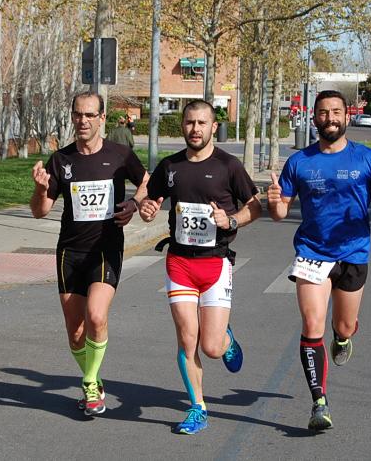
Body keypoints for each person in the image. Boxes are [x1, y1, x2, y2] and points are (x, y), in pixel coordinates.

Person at [266, 89, 371, 432]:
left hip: (354, 253)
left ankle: (343, 337)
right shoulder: (300, 162)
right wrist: (274, 201)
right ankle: (319, 402)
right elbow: (281, 212)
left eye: (336, 112)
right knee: (312, 325)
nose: (329, 118)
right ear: (313, 118)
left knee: (341, 326)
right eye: (323, 113)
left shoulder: (367, 159)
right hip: (312, 253)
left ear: (347, 116)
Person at [139, 99, 261, 435]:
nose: (195, 129)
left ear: (213, 127)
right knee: (186, 340)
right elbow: (150, 200)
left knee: (210, 346)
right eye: (190, 123)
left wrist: (231, 219)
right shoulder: (170, 166)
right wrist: (147, 209)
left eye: (202, 123)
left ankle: (226, 340)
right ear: (183, 126)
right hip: (179, 262)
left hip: (215, 264)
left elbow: (255, 207)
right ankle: (198, 407)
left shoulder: (228, 166)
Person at [30, 92, 148, 417]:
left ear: (102, 118)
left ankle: (91, 384)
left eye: (89, 115)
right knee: (76, 330)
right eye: (78, 115)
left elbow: (146, 182)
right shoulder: (61, 160)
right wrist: (41, 189)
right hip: (70, 251)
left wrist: (135, 204)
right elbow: (40, 211)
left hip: (106, 248)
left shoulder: (121, 155)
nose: (83, 121)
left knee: (96, 316)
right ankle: (92, 378)